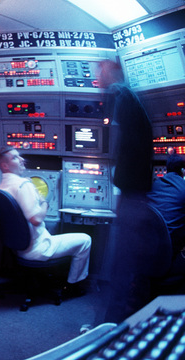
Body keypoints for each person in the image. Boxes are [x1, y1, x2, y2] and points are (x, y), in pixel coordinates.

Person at [97, 60, 155, 322]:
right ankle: (121, 319)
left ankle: (113, 326)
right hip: (136, 190)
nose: (97, 77)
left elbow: (121, 144)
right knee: (127, 262)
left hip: (131, 192)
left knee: (122, 263)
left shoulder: (119, 94)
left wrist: (118, 183)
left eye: (100, 71)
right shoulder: (130, 97)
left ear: (110, 72)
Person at [0, 146, 91, 287]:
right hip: (38, 249)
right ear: (5, 165)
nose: (22, 159)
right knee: (85, 240)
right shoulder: (23, 185)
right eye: (15, 157)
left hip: (18, 250)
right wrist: (43, 201)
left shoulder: (2, 187)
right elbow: (36, 219)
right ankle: (73, 285)